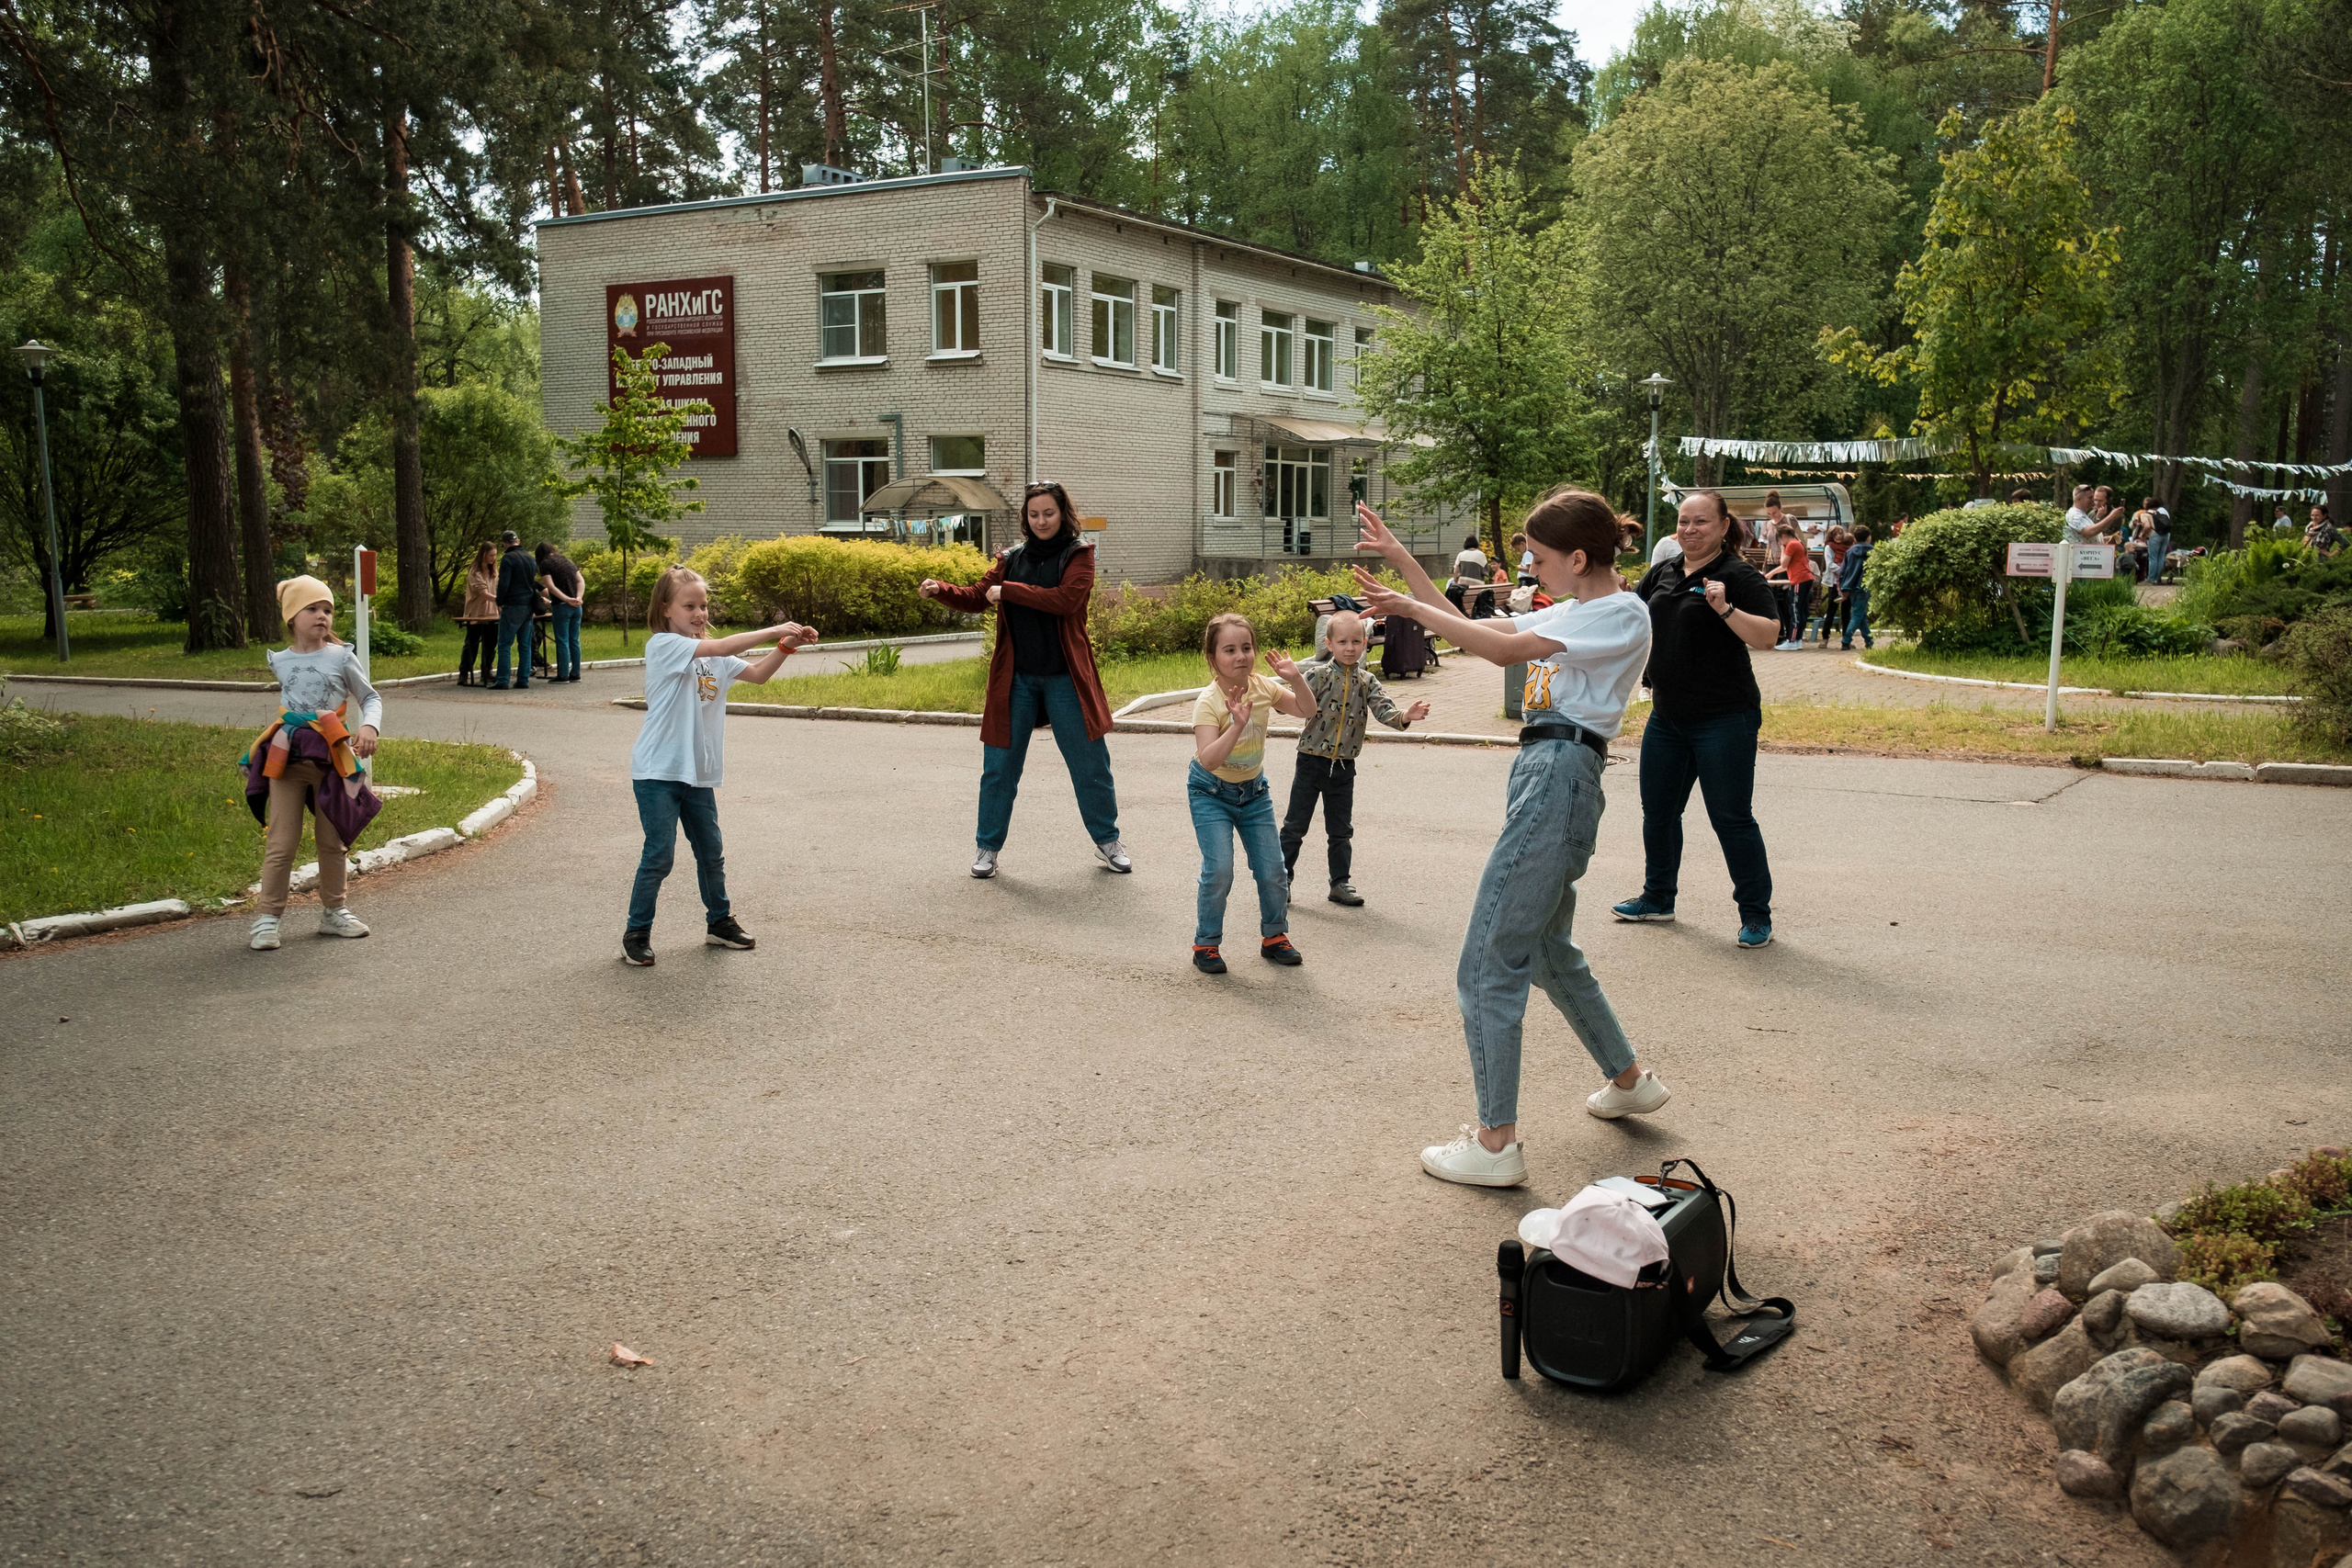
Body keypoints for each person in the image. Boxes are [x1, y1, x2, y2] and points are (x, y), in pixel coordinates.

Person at [1351, 491, 1667, 1190]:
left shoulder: (1620, 612)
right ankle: (1630, 1080)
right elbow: (1474, 627)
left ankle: (1496, 1144)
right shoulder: (1578, 609)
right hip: (1549, 770)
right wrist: (1404, 563)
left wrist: (1407, 609)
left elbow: (1502, 651)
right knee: (1547, 951)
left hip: (1560, 772)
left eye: (1539, 557)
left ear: (1578, 558)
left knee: (1489, 961)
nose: (1529, 567)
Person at [920, 481, 1130, 880]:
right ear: (1025, 518)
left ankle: (1108, 841)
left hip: (1066, 679)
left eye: (1049, 513)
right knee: (999, 769)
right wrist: (940, 589)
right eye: (1034, 515)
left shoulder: (1079, 555)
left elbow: (1065, 600)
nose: (1041, 521)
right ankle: (987, 848)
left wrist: (1009, 592)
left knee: (1090, 766)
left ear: (1063, 513)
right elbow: (979, 596)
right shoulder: (1011, 558)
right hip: (1016, 681)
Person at [1610, 490, 1781, 948]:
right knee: (1659, 813)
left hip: (1724, 718)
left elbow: (1768, 636)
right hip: (1667, 716)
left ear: (1724, 527)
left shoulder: (1739, 575)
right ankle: (1657, 898)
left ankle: (1755, 915)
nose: (1689, 529)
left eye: (1700, 522)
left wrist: (1725, 609)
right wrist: (1621, 598)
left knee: (1731, 818)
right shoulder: (1663, 572)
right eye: (1683, 521)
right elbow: (1635, 620)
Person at [621, 569, 817, 966]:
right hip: (658, 771)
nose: (699, 613)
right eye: (689, 606)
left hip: (697, 773)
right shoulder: (663, 645)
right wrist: (774, 628)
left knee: (711, 852)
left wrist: (786, 645)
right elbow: (724, 644)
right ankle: (636, 934)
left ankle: (719, 923)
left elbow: (758, 675)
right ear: (666, 609)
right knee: (659, 856)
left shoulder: (714, 657)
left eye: (704, 605)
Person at [243, 576, 383, 952]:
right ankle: (268, 918)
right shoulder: (280, 660)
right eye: (313, 609)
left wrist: (369, 726)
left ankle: (334, 912)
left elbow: (370, 698)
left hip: (332, 758)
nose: (323, 616)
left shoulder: (341, 657)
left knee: (331, 840)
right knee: (281, 842)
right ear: (292, 617)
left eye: (328, 610)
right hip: (287, 760)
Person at [1189, 614, 1317, 974]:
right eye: (1229, 650)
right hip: (1210, 792)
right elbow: (1209, 759)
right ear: (1213, 659)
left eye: (1246, 647)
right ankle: (1206, 944)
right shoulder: (1208, 702)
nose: (1240, 656)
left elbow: (1307, 710)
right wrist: (1237, 725)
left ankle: (1274, 936)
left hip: (1254, 792)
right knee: (1219, 870)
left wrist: (1296, 679)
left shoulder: (1263, 687)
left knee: (1273, 869)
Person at [1280, 610, 1430, 907]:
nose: (1350, 648)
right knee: (1295, 826)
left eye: (1356, 642)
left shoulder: (1367, 681)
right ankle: (1281, 881)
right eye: (1342, 642)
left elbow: (1384, 710)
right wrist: (1281, 689)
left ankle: (1340, 883)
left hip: (1344, 767)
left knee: (1340, 831)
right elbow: (1290, 702)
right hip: (1311, 761)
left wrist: (1406, 716)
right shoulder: (1317, 675)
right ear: (1329, 644)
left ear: (1365, 644)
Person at [492, 529, 537, 689]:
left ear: (504, 544)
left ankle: (503, 680)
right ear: (518, 541)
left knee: (505, 644)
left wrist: (499, 601)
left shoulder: (508, 558)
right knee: (525, 645)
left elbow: (504, 583)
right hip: (528, 605)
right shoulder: (530, 558)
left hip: (513, 604)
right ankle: (523, 679)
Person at [536, 541, 585, 682]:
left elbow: (550, 587)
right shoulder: (567, 561)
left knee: (562, 641)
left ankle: (563, 674)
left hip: (561, 606)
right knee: (574, 640)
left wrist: (566, 599)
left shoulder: (545, 564)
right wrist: (578, 597)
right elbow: (580, 580)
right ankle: (575, 673)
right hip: (577, 607)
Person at [1767, 520, 1815, 649]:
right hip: (1805, 578)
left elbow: (1784, 564)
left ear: (1783, 536)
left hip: (1799, 579)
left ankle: (1792, 640)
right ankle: (1798, 640)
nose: (1781, 542)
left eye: (1780, 539)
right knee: (1800, 610)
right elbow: (1786, 566)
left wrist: (1783, 550)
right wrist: (1771, 573)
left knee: (1794, 610)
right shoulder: (1798, 543)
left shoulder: (1791, 545)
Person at [458, 542, 497, 687]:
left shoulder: (493, 571)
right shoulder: (475, 571)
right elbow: (484, 594)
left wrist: (500, 608)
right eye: (491, 555)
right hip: (476, 613)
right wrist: (501, 600)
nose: (493, 558)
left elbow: (497, 589)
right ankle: (464, 673)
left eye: (495, 555)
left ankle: (487, 671)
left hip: (492, 613)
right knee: (471, 644)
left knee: (490, 644)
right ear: (484, 554)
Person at [1839, 524, 1875, 649]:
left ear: (1855, 538)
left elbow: (1843, 571)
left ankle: (1869, 641)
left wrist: (1843, 587)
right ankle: (1846, 640)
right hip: (1865, 586)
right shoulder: (1873, 551)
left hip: (1851, 587)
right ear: (1869, 537)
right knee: (1858, 614)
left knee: (1861, 614)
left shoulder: (1850, 552)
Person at [1815, 525, 1849, 646]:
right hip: (1834, 582)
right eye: (1836, 534)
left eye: (1840, 534)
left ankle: (1846, 639)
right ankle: (1825, 637)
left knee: (1846, 612)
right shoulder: (1829, 547)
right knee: (1831, 610)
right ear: (1831, 536)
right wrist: (1844, 571)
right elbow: (1830, 564)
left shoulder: (1847, 547)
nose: (1838, 536)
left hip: (1846, 582)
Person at [2145, 496, 2173, 583]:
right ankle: (2158, 578)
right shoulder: (2164, 511)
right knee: (2161, 557)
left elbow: (2148, 525)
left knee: (2153, 557)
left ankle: (2151, 578)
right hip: (2166, 535)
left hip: (2156, 534)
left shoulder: (2153, 512)